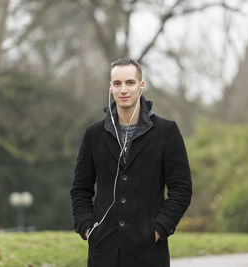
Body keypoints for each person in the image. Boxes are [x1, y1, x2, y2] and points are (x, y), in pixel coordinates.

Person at [70, 57, 192, 267]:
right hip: (103, 252)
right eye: (117, 84)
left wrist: (158, 229)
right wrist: (88, 228)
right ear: (110, 88)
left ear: (141, 86)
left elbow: (181, 189)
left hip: (149, 253)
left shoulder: (166, 132)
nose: (123, 89)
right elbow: (80, 189)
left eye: (130, 82)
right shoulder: (94, 134)